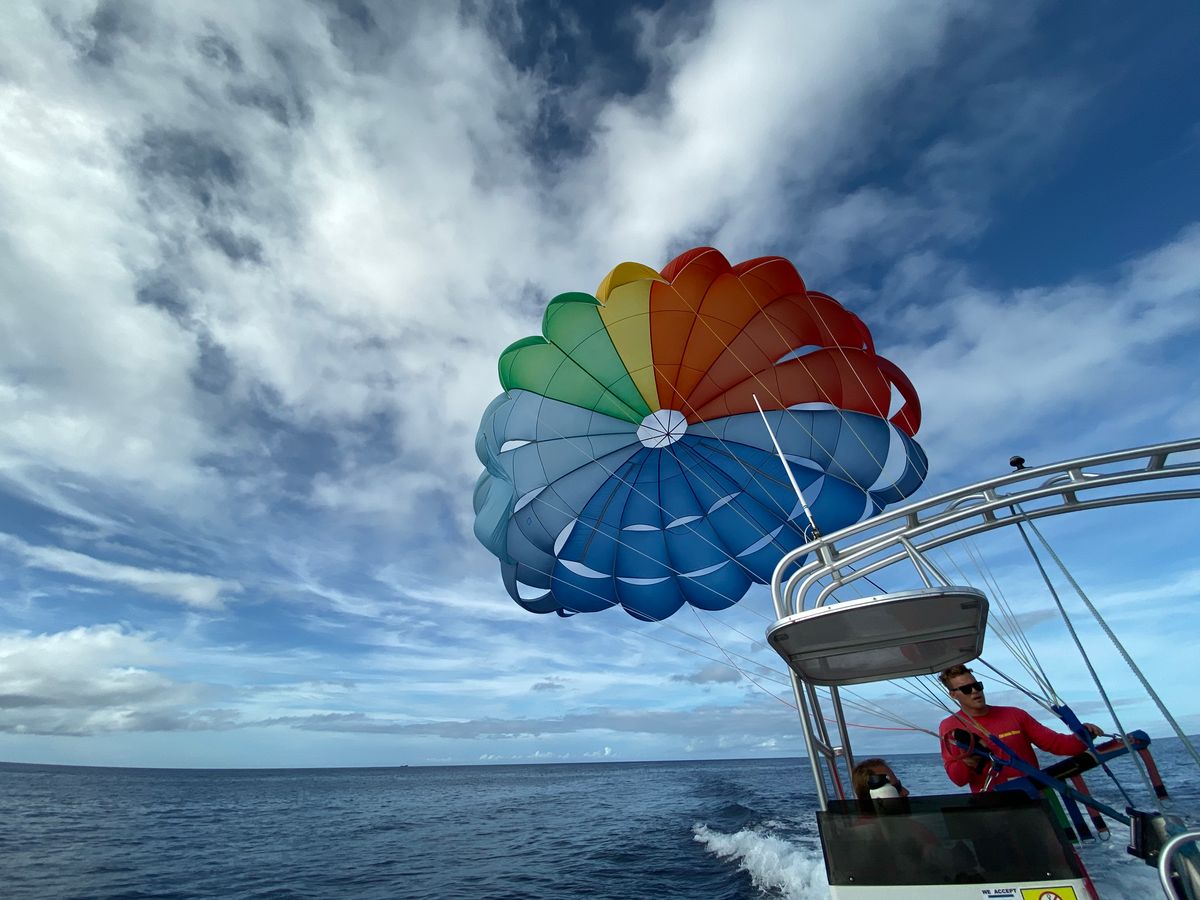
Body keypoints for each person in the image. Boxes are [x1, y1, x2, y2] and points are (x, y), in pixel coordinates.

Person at [938, 664, 1104, 792]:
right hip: (992, 804)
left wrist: (1084, 735)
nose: (975, 691)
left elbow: (1058, 745)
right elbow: (958, 779)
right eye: (966, 689)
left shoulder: (1015, 715)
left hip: (1033, 798)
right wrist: (969, 760)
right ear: (953, 694)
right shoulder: (950, 726)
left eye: (977, 685)